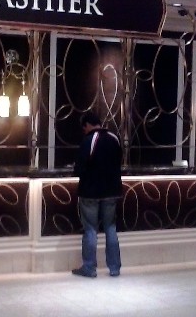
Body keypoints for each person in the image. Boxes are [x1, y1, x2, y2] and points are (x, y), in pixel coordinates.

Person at [72, 111, 123, 278]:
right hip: (112, 191)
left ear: (87, 125)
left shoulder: (89, 140)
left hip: (90, 192)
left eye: (83, 128)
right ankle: (114, 268)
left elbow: (79, 168)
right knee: (110, 227)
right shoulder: (114, 138)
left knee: (90, 229)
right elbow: (119, 162)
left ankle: (89, 267)